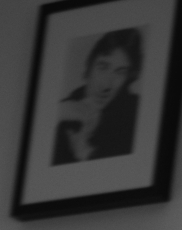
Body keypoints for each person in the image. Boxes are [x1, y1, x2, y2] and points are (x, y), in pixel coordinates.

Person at [52, 28, 142, 165]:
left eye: (120, 72)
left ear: (128, 78)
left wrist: (86, 153)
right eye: (102, 67)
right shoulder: (62, 110)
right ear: (89, 67)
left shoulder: (136, 115)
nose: (106, 85)